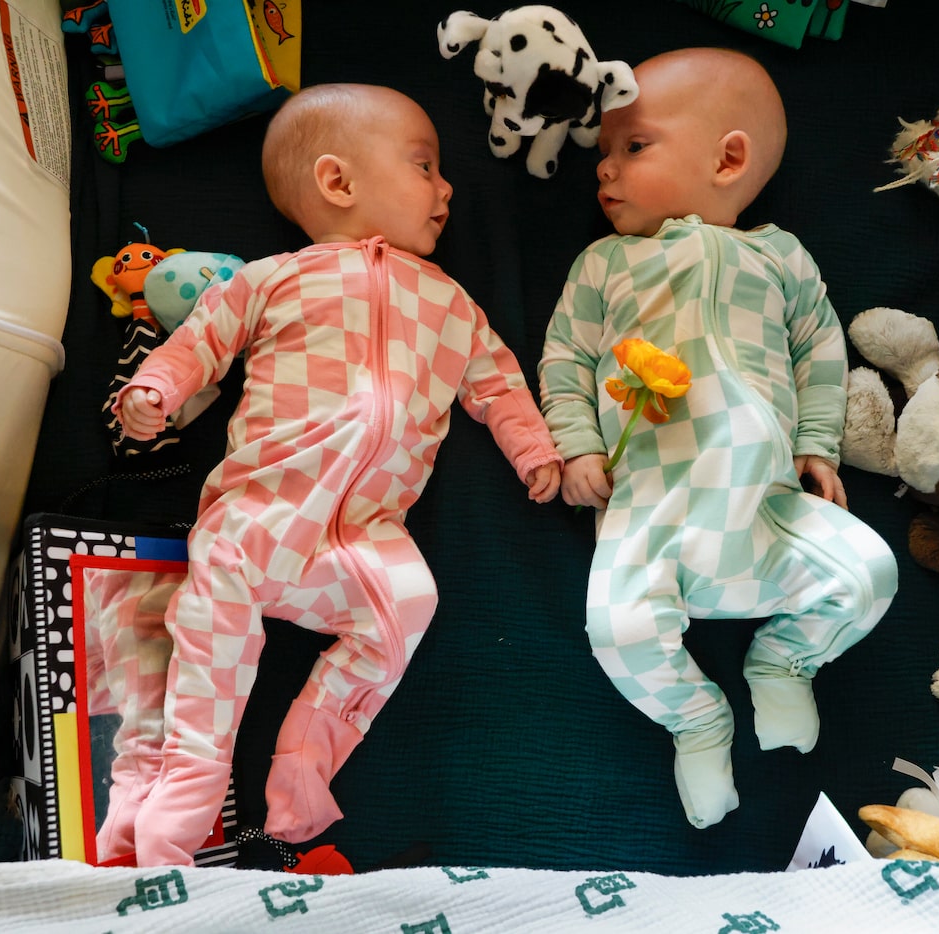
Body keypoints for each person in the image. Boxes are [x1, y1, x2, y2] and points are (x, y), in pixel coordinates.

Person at [116, 83, 564, 866]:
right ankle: (189, 781)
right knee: (212, 622)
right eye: (424, 165)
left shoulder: (451, 301)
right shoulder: (268, 278)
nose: (447, 187)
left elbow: (498, 384)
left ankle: (305, 765)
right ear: (337, 182)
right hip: (257, 512)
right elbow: (198, 343)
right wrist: (155, 389)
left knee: (408, 602)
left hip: (360, 540)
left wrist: (532, 449)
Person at [538, 48, 898, 830]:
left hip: (768, 505)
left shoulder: (779, 256)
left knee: (870, 571)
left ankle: (783, 659)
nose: (603, 170)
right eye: (603, 154)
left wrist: (816, 443)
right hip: (650, 509)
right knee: (617, 627)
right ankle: (696, 719)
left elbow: (820, 347)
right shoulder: (605, 264)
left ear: (727, 158)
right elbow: (565, 355)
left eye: (632, 147)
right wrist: (576, 448)